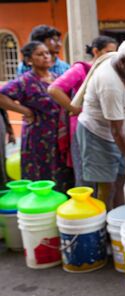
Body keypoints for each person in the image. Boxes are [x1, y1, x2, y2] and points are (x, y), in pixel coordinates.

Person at [72, 37, 125, 210]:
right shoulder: (110, 83)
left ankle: (119, 217)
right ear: (123, 61)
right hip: (97, 136)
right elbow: (116, 131)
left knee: (119, 178)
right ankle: (104, 226)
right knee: (106, 186)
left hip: (113, 137)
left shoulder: (119, 62)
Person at [0, 41, 74, 192]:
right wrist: (25, 111)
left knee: (63, 175)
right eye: (40, 54)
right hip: (37, 137)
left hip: (60, 136)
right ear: (29, 60)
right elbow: (2, 97)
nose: (46, 57)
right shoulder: (24, 81)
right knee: (40, 175)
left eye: (47, 53)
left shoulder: (58, 77)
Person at [48, 35, 118, 187]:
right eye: (108, 52)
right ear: (96, 51)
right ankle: (86, 209)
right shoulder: (81, 69)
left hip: (103, 129)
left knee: (105, 177)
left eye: (115, 53)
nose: (112, 56)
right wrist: (75, 109)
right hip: (83, 129)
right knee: (86, 177)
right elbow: (54, 89)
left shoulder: (109, 71)